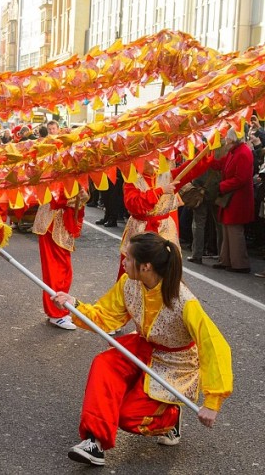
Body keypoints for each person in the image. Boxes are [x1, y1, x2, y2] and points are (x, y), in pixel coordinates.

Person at [53, 232, 233, 467]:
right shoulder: (129, 283)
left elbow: (214, 346)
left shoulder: (184, 301)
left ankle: (171, 417)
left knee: (129, 417)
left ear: (146, 266)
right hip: (142, 346)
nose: (123, 262)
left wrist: (212, 402)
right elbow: (107, 316)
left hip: (175, 362)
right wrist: (74, 306)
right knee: (104, 364)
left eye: (127, 258)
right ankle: (94, 442)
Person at [33, 187, 89, 330]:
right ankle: (56, 313)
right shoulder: (56, 169)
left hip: (61, 223)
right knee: (56, 270)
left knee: (63, 269)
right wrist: (79, 196)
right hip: (53, 223)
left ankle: (60, 309)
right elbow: (56, 196)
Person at [210, 128, 254, 273]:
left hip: (237, 197)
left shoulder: (243, 153)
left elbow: (241, 179)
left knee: (234, 230)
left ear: (232, 138)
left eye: (227, 138)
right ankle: (227, 260)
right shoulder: (235, 151)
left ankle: (239, 263)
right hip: (231, 196)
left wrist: (221, 186)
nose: (225, 140)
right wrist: (208, 161)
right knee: (228, 228)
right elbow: (221, 164)